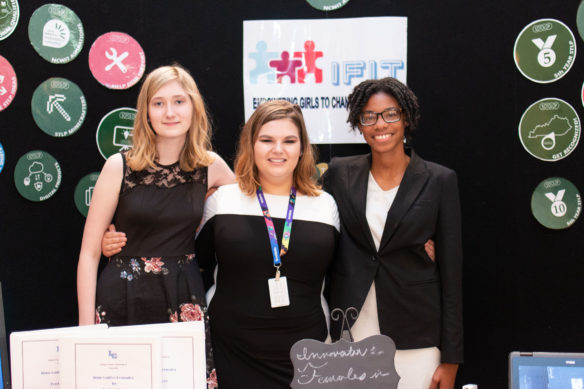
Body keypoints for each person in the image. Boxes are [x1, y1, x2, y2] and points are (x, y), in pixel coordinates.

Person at [77, 65, 234, 386]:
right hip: (122, 294)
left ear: (194, 107)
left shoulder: (212, 167)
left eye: (179, 101)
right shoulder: (118, 166)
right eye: (158, 103)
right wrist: (84, 331)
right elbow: (90, 254)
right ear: (146, 111)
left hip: (183, 295)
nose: (169, 112)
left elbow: (247, 217)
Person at [322, 77, 463, 389]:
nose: (379, 124)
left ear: (406, 117)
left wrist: (452, 358)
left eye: (390, 114)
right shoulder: (339, 173)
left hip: (415, 333)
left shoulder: (439, 180)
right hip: (350, 326)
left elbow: (453, 279)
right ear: (359, 123)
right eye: (368, 117)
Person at [195, 100, 339, 388]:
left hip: (307, 355)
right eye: (267, 140)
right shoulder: (222, 201)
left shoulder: (326, 206)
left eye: (289, 140)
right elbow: (195, 265)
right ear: (251, 145)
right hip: (230, 351)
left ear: (302, 148)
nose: (278, 149)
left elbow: (343, 272)